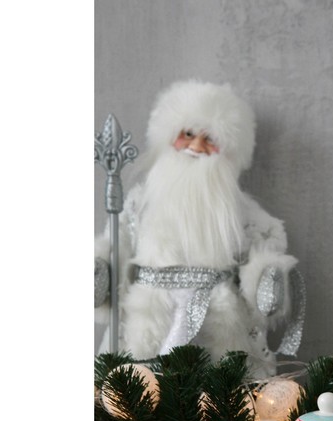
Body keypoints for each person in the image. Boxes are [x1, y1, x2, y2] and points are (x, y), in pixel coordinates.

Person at [95, 79, 302, 376]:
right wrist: (101, 272)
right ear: (168, 136)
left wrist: (266, 279)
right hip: (150, 313)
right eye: (188, 134)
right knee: (139, 383)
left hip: (215, 316)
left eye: (210, 139)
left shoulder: (240, 212)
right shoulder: (141, 203)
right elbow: (119, 246)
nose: (196, 147)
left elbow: (263, 244)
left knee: (216, 387)